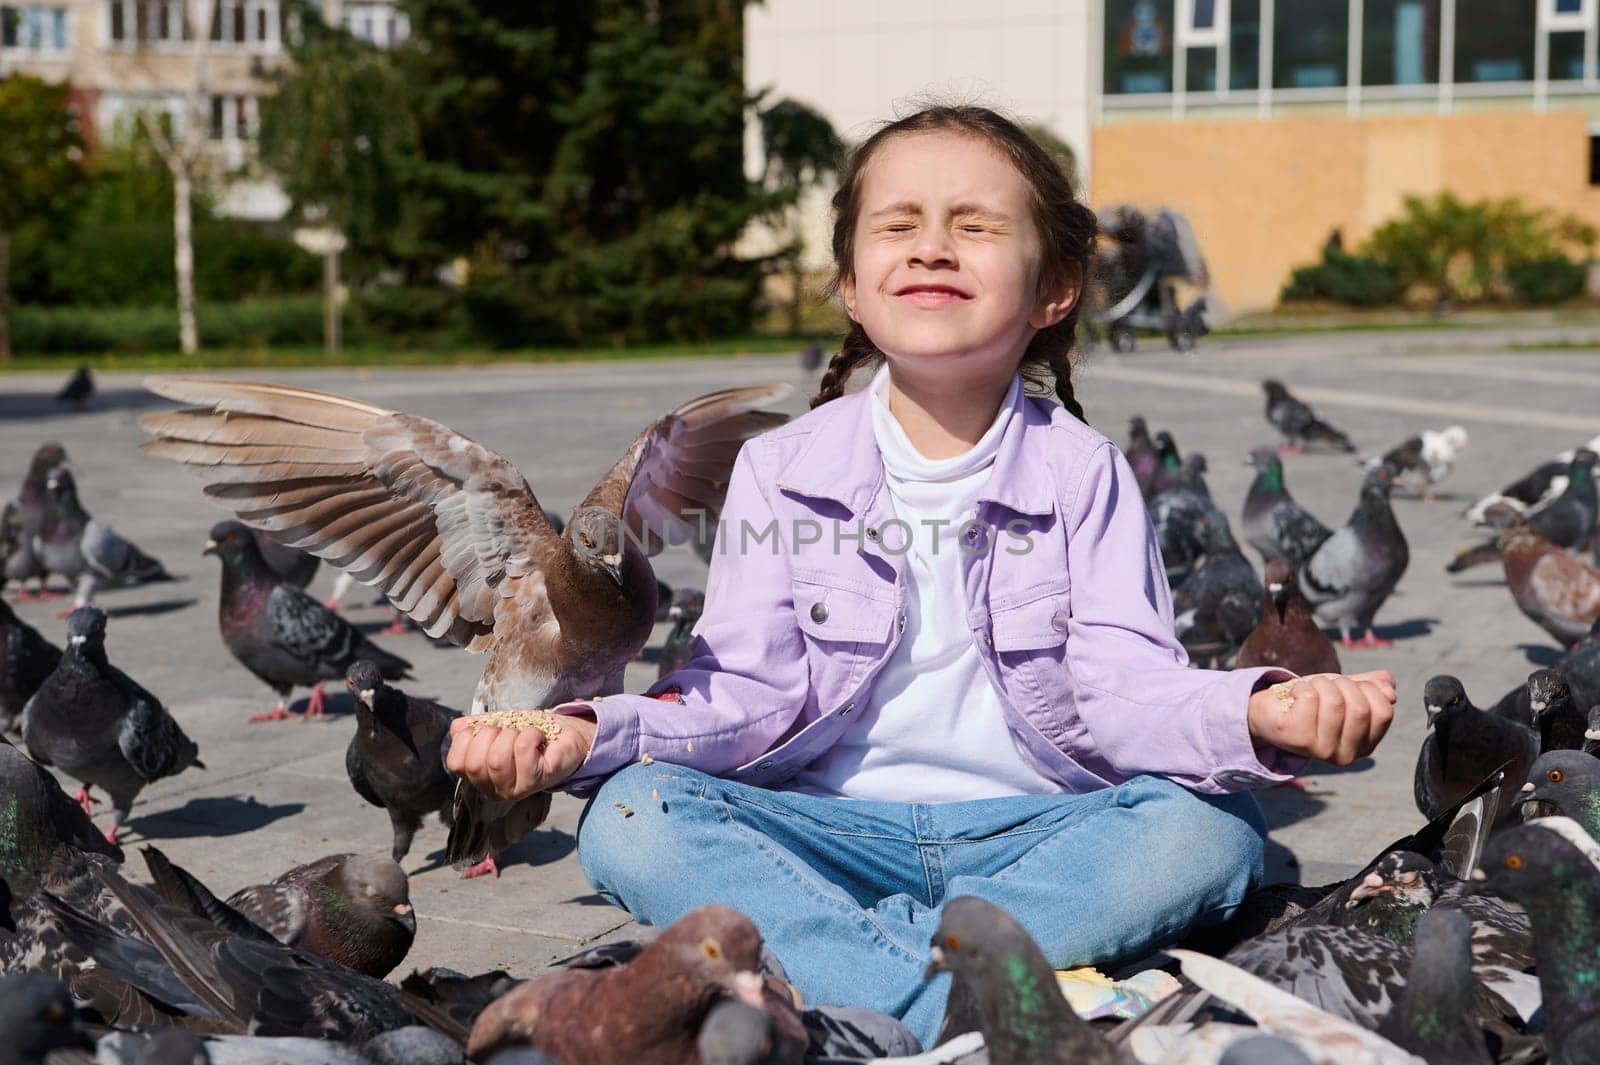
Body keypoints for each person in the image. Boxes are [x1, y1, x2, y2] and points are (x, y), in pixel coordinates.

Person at [445, 105, 1395, 1046]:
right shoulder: (783, 469)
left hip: (1039, 836)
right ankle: (967, 993)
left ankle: (858, 983)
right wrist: (582, 734)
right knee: (632, 816)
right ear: (853, 287)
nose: (932, 249)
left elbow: (1128, 692)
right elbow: (741, 690)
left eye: (975, 226)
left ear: (1055, 288)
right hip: (822, 835)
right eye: (898, 226)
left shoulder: (1087, 474)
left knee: (1216, 830)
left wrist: (1256, 713)